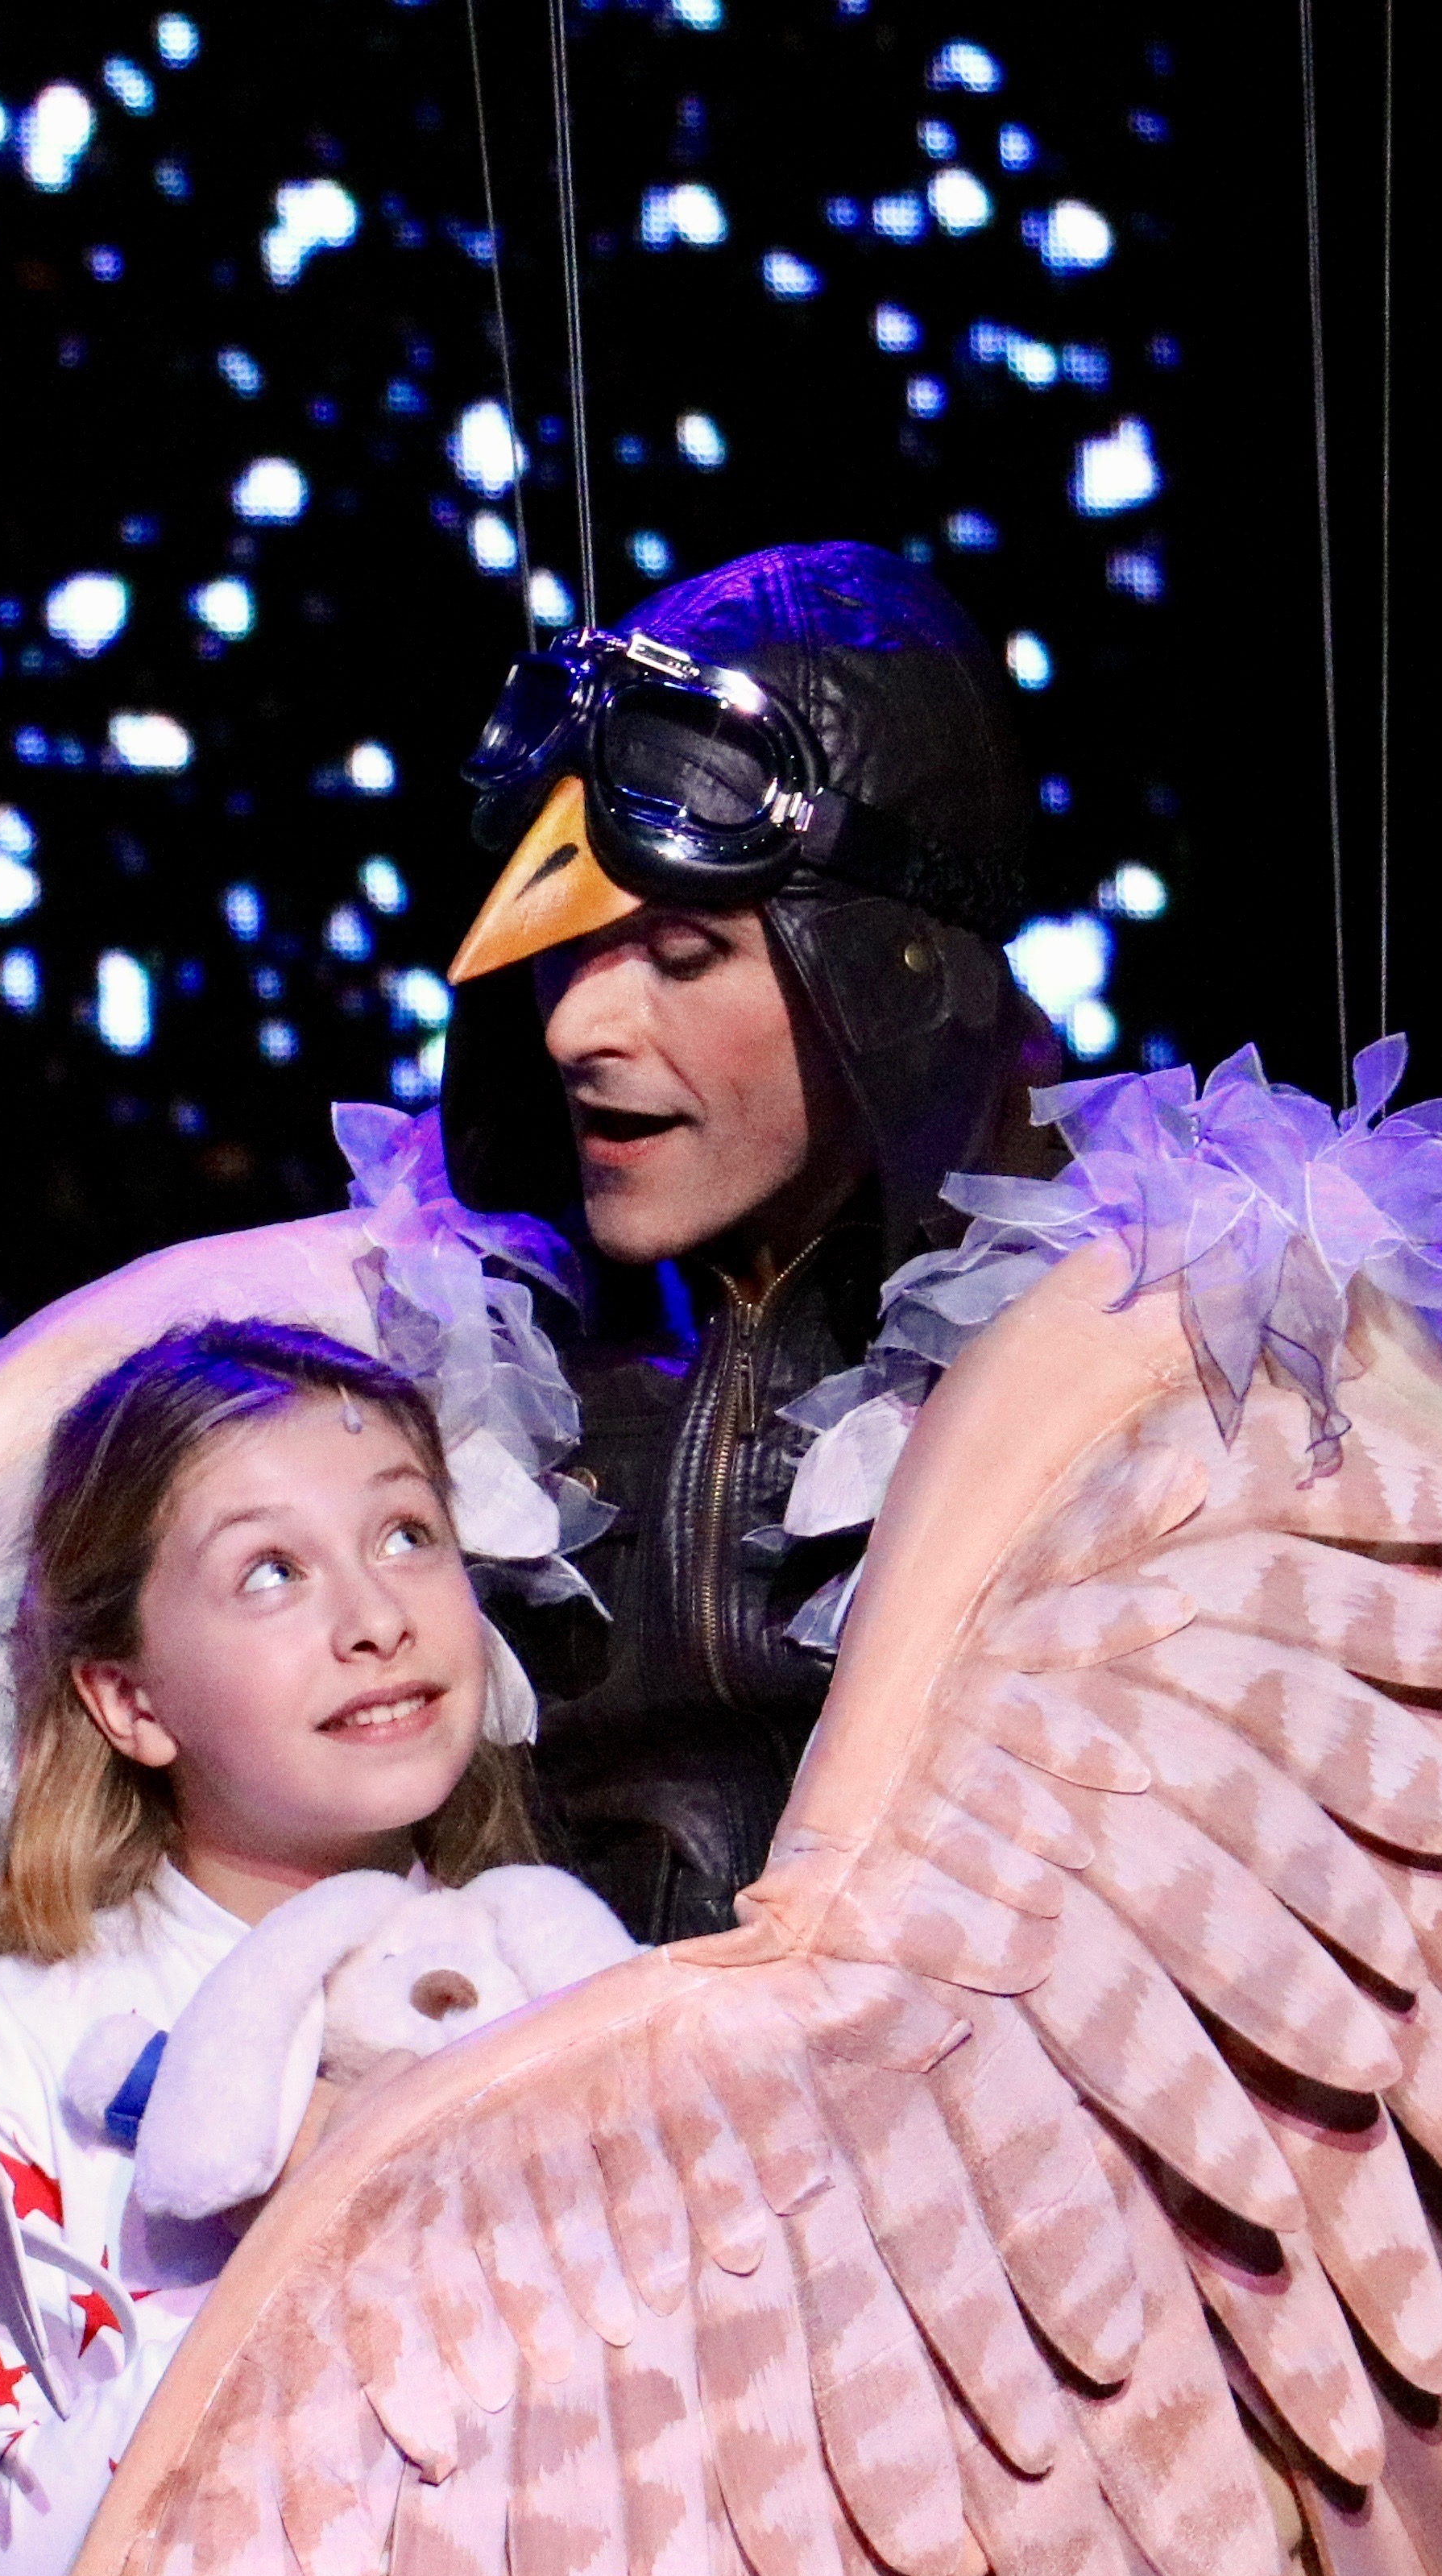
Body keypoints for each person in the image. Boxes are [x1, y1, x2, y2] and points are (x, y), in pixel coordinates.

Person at [0, 1316, 614, 2576]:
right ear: (130, 1700)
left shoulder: (568, 1990)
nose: (376, 1619)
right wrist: (308, 2234)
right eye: (271, 1572)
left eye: (406, 1536)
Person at [435, 540, 1063, 1940]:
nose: (573, 1026)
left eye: (681, 955)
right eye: (568, 945)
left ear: (890, 978)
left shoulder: (1182, 1359)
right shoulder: (450, 1335)